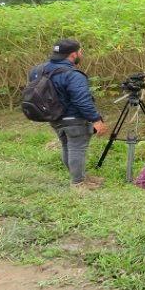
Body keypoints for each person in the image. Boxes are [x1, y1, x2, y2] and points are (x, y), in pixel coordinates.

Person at [29, 39, 107, 190]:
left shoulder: (37, 70)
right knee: (77, 148)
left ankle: (80, 176)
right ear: (73, 54)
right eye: (80, 51)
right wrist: (96, 120)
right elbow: (82, 101)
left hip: (54, 118)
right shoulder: (73, 75)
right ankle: (78, 183)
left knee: (67, 147)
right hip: (75, 119)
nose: (81, 54)